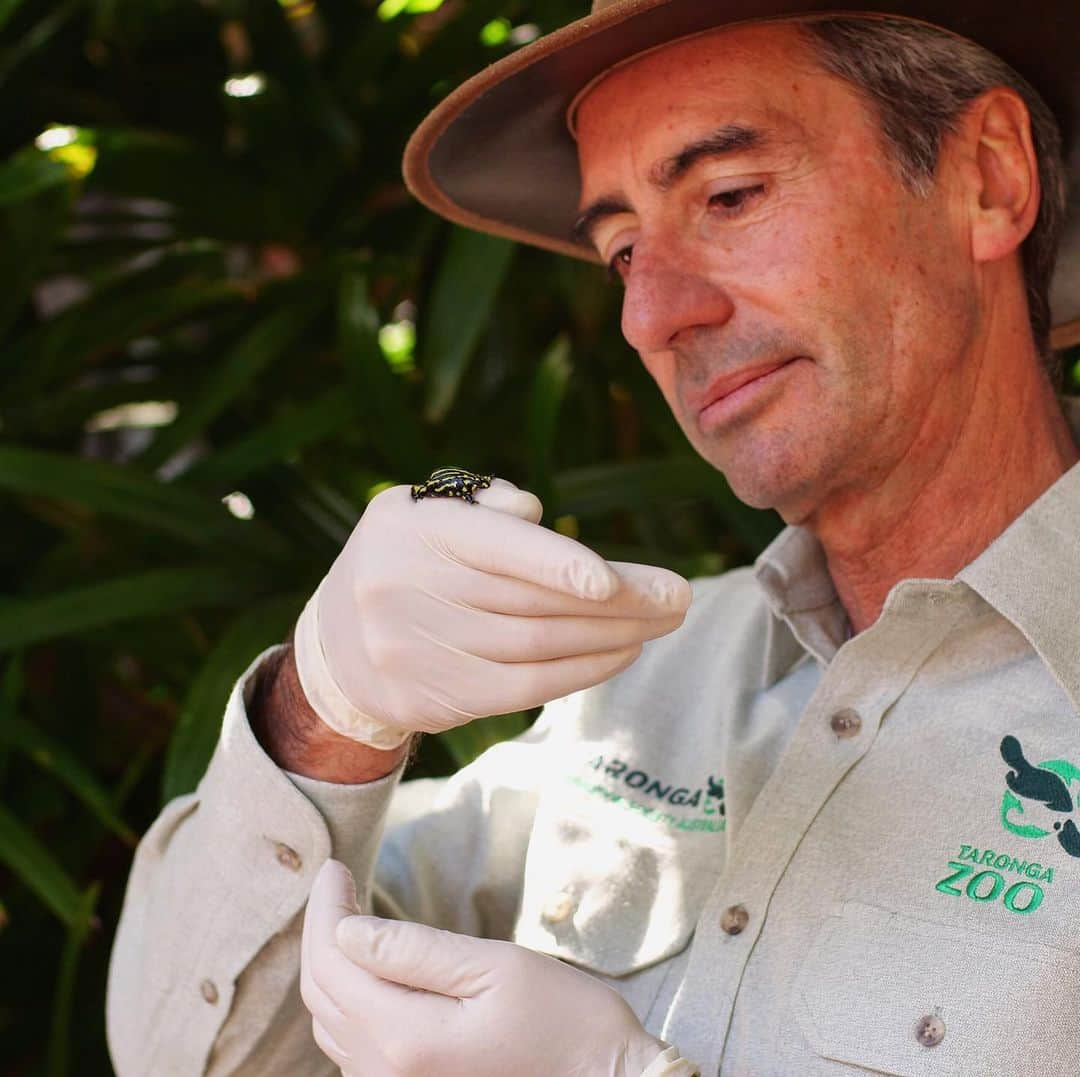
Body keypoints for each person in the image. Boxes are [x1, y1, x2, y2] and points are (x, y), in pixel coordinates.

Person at [107, 2, 1080, 1074]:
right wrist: (326, 708)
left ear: (986, 178)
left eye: (730, 195)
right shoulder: (641, 683)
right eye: (621, 253)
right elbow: (190, 1057)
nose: (651, 317)